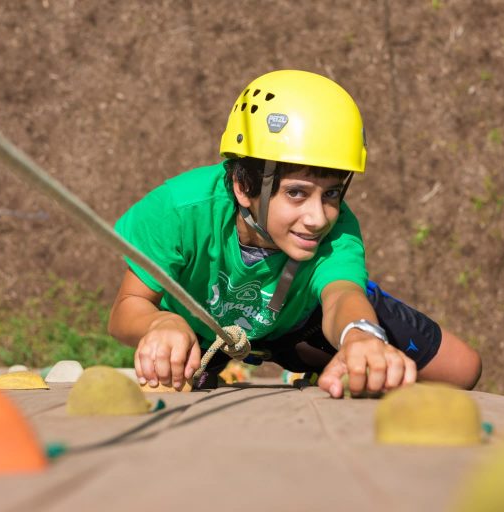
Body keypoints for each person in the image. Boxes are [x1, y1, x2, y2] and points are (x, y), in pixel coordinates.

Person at [108, 70, 481, 398]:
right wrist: (161, 323)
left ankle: (320, 359)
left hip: (301, 322)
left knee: (460, 370)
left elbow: (340, 296)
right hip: (203, 330)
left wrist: (362, 337)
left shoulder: (338, 231)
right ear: (243, 185)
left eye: (332, 193)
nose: (318, 218)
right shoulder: (179, 211)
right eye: (296, 192)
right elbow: (126, 311)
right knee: (177, 383)